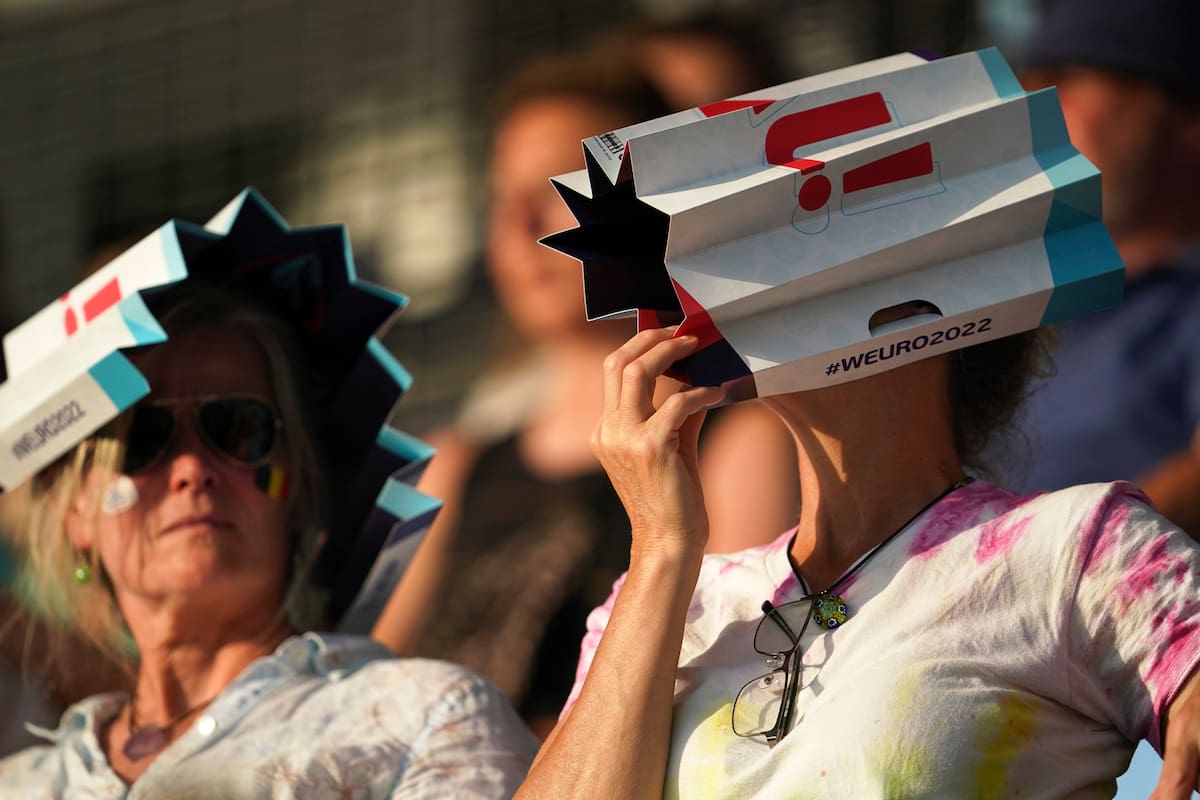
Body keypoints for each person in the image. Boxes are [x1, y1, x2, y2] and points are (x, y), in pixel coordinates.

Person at [513, 55, 1200, 799]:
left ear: (927, 274)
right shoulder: (679, 600)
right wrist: (660, 549)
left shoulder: (1076, 553)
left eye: (800, 220)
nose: (740, 274)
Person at [0, 192, 537, 797]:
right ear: (74, 512)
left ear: (300, 490)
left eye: (237, 429)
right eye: (142, 439)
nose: (192, 468)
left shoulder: (424, 721)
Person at [370, 47, 799, 740]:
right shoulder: (452, 468)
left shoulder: (742, 443)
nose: (519, 224)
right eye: (499, 196)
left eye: (558, 187)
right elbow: (363, 707)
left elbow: (734, 694)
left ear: (655, 208)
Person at [999, 0, 1200, 536]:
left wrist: (1030, 564)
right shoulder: (999, 306)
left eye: (1063, 83)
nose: (1031, 110)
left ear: (1182, 114)